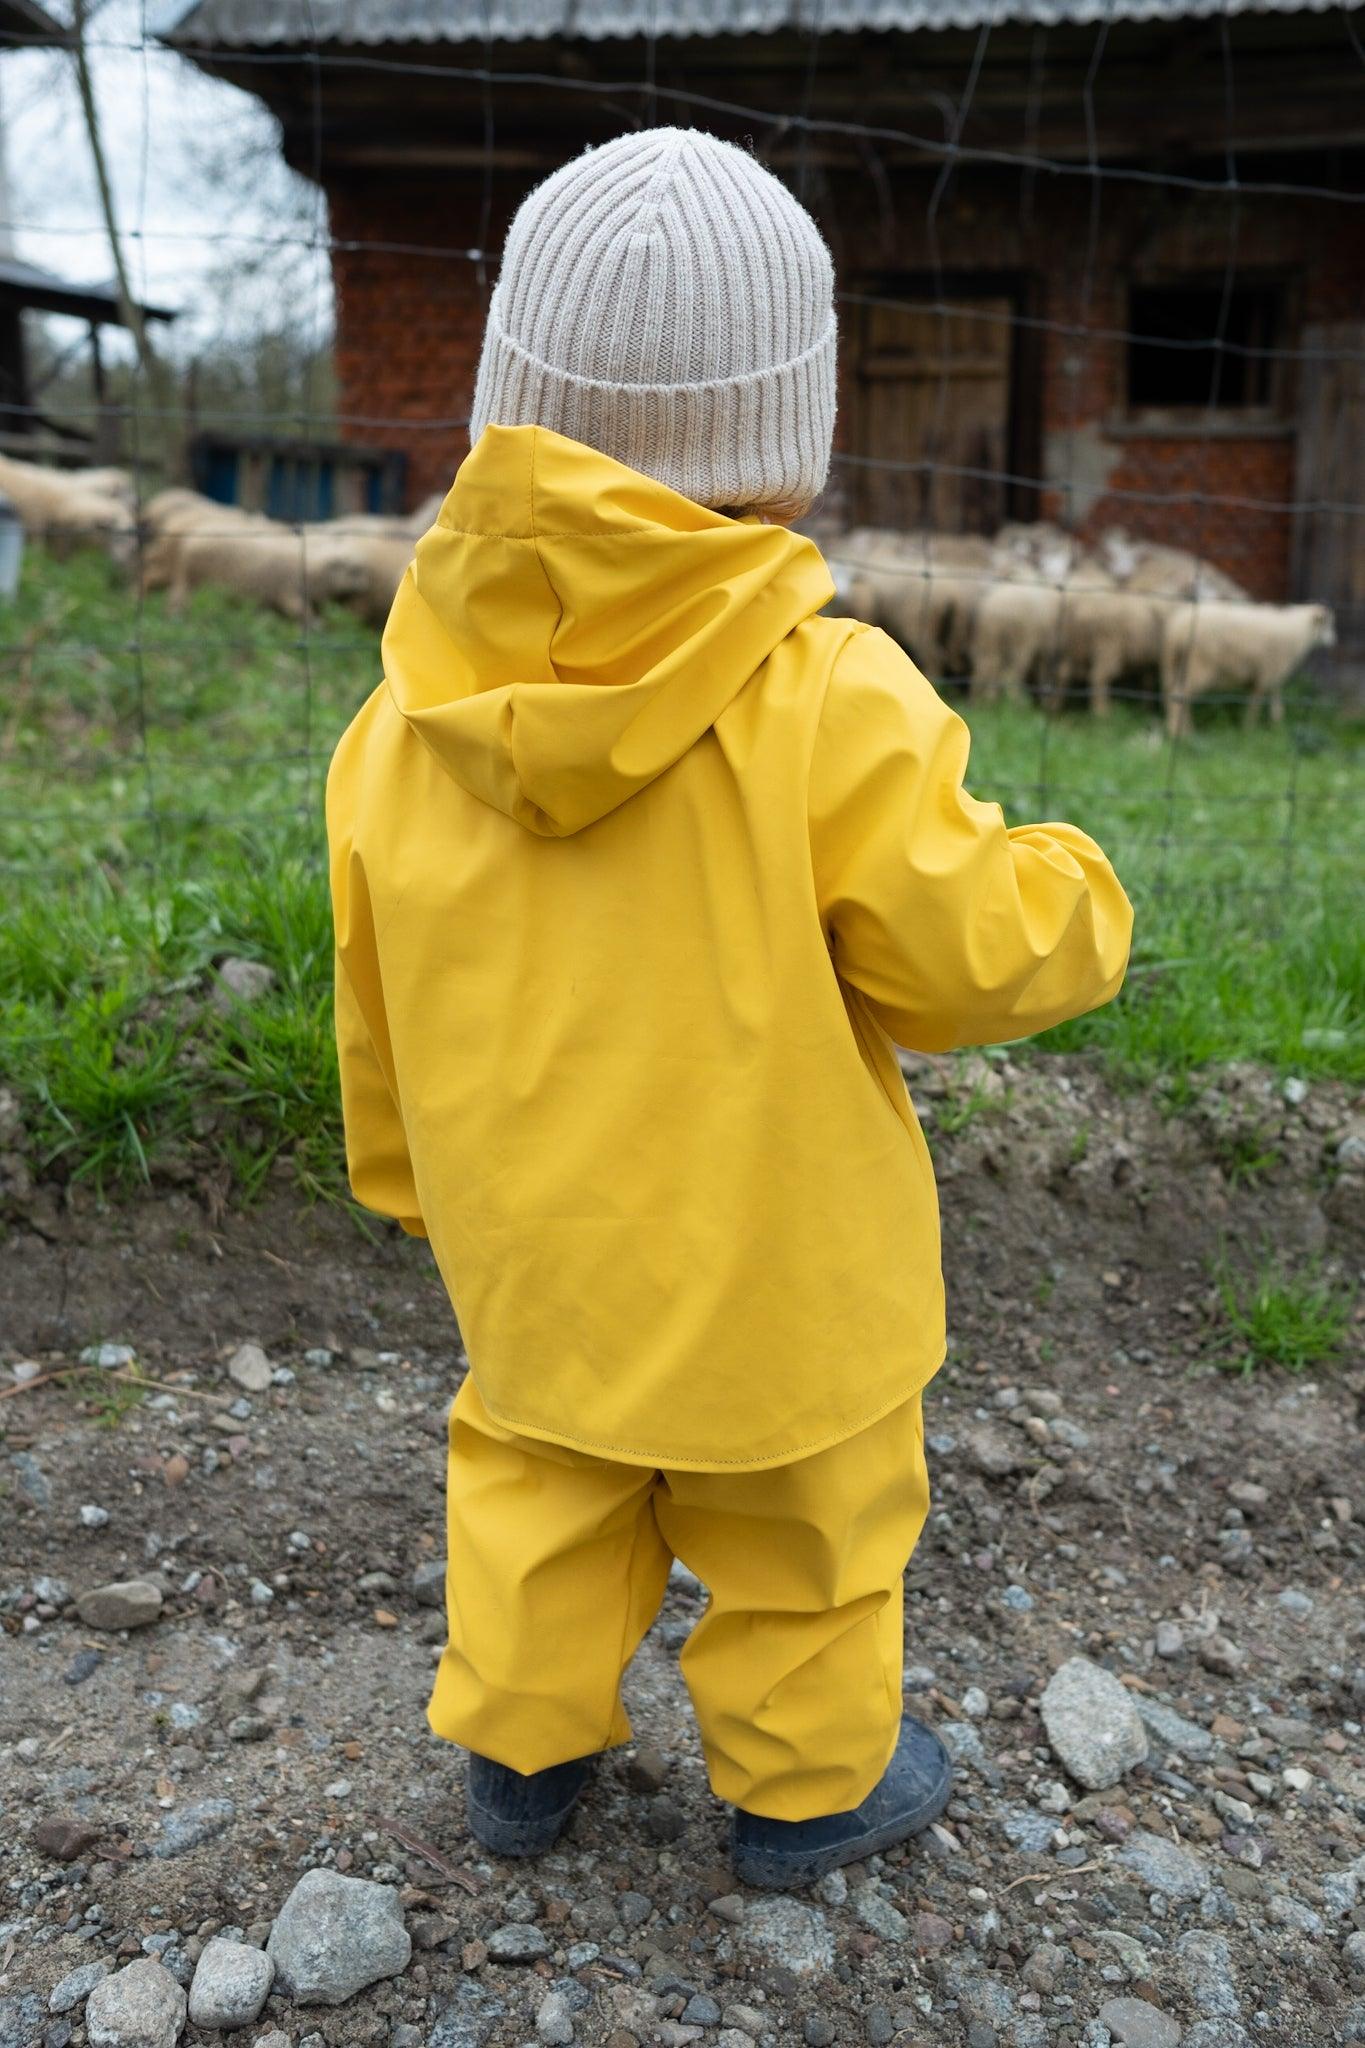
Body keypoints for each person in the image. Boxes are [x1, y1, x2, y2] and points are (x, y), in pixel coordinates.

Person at [326, 128, 1132, 1889]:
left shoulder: (400, 719)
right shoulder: (826, 693)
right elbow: (962, 959)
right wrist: (1078, 891)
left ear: (504, 398)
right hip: (786, 1275)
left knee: (537, 1494)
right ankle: (803, 1786)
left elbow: (372, 990)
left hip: (534, 1257)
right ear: (786, 430)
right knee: (808, 1532)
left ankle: (521, 1756)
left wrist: (409, 1178)